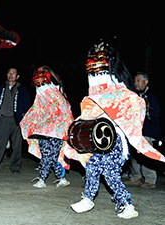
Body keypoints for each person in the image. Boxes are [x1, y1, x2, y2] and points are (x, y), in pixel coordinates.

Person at [63, 43, 165, 219]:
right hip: (100, 140)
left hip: (117, 140)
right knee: (93, 166)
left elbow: (135, 103)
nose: (96, 78)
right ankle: (88, 199)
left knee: (110, 173)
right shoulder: (93, 95)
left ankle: (127, 205)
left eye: (99, 73)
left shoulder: (122, 92)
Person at [20, 66, 73, 188]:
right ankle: (62, 178)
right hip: (43, 128)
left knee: (49, 155)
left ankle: (42, 179)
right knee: (49, 155)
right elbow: (36, 110)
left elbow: (65, 113)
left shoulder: (58, 94)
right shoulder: (40, 95)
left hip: (57, 129)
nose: (41, 86)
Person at [0, 68, 31, 173]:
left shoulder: (22, 90)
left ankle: (15, 167)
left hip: (16, 121)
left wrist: (25, 118)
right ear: (7, 75)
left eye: (14, 73)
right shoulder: (0, 88)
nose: (11, 75)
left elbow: (27, 106)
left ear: (17, 76)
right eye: (9, 72)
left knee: (17, 145)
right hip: (3, 119)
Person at [125, 72, 161, 188]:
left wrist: (146, 110)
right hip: (136, 131)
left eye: (138, 80)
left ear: (146, 82)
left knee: (146, 154)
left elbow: (156, 112)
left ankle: (150, 179)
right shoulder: (136, 95)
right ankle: (136, 177)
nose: (136, 83)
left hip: (148, 130)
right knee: (134, 154)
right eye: (135, 81)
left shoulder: (151, 95)